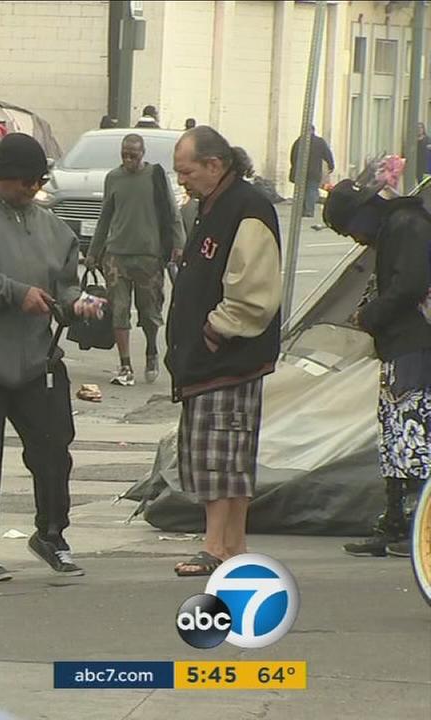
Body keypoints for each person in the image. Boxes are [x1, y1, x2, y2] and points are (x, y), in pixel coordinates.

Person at [0, 133, 105, 582]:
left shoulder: (49, 224)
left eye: (36, 182)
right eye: (22, 183)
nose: (30, 190)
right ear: (0, 177)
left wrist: (75, 302)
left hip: (35, 359)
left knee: (53, 451)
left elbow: (64, 281)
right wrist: (13, 293)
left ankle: (51, 534)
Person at [168, 126, 283, 577]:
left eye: (187, 171)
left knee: (221, 455)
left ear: (215, 165)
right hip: (213, 360)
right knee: (226, 456)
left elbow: (253, 293)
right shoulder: (211, 206)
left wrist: (212, 333)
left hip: (228, 358)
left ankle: (216, 546)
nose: (183, 180)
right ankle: (232, 545)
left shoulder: (246, 207)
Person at [324, 174, 431, 559]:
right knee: (395, 435)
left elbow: (409, 286)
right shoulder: (399, 227)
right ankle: (397, 520)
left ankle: (414, 522)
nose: (354, 238)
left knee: (412, 433)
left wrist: (370, 315)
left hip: (415, 345)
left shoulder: (407, 226)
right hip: (402, 345)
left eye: (349, 229)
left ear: (363, 214)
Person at [86, 134, 185, 386]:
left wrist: (178, 244)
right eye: (124, 154)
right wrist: (93, 251)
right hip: (116, 255)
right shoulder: (113, 178)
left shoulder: (155, 177)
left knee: (150, 311)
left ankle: (151, 350)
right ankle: (125, 364)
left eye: (133, 155)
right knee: (119, 311)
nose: (128, 159)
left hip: (148, 256)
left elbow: (172, 214)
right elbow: (105, 217)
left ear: (143, 154)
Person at [288, 125, 334, 217]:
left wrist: (294, 168)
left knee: (302, 190)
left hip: (300, 171)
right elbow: (327, 154)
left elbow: (293, 156)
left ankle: (302, 210)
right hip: (314, 171)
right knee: (311, 190)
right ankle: (308, 210)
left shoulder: (299, 142)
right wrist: (331, 165)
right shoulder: (319, 142)